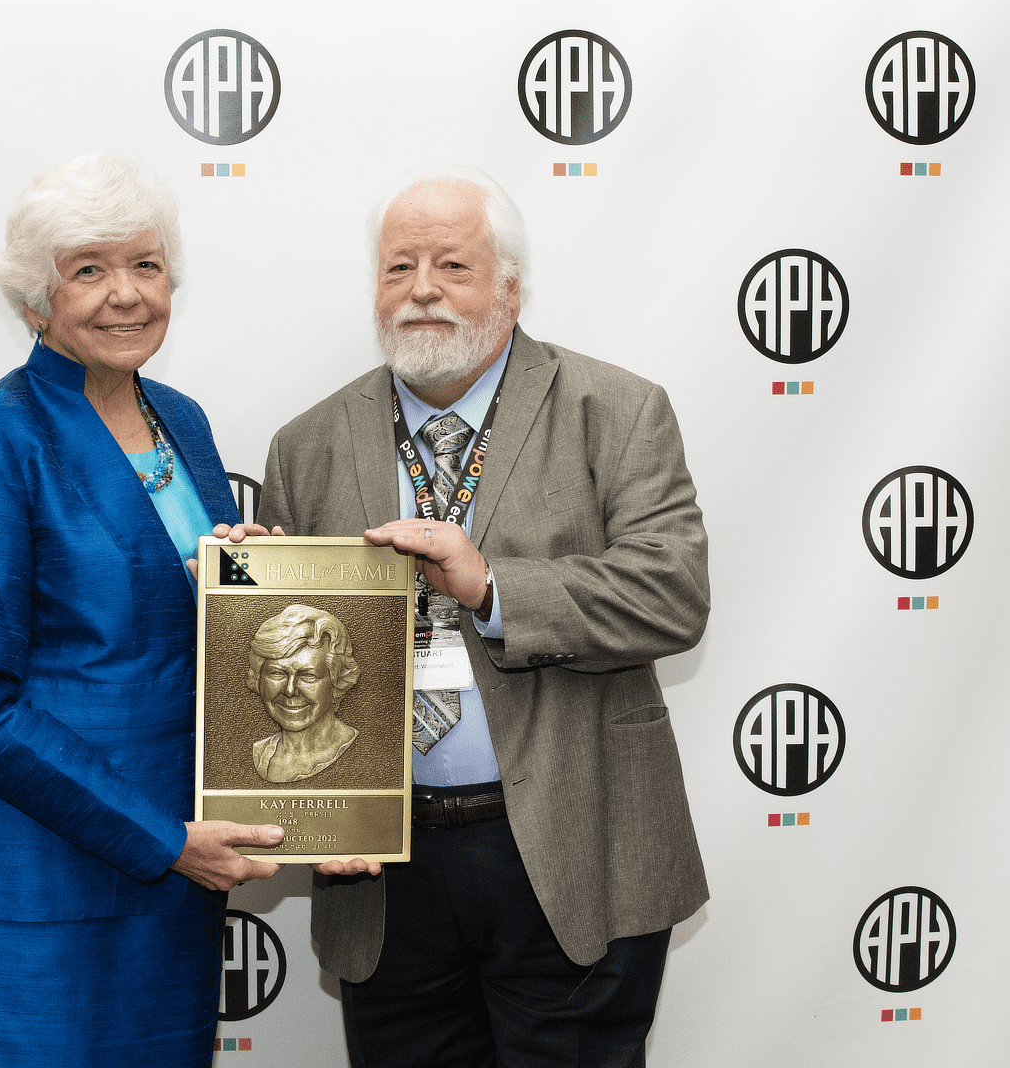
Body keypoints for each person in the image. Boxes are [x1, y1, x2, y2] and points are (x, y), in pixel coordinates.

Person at [259, 164, 710, 1068]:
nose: (421, 288)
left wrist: (491, 586)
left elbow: (673, 594)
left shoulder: (617, 412)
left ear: (508, 287)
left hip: (573, 847)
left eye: (451, 266)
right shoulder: (305, 444)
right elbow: (280, 658)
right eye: (399, 268)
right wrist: (253, 583)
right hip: (386, 873)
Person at [0, 152, 283, 1068]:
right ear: (38, 303)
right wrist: (164, 840)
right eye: (89, 271)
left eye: (146, 266)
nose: (126, 295)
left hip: (170, 885)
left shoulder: (182, 424)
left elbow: (166, 620)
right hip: (30, 889)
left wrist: (249, 586)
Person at [245, 604, 362, 782]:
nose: (290, 690)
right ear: (259, 679)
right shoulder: (259, 754)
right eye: (277, 673)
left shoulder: (363, 750)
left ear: (336, 681)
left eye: (308, 676)